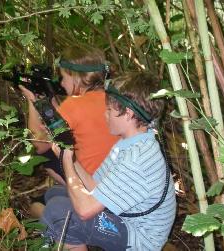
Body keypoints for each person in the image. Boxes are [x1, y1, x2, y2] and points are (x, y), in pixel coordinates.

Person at [41, 72, 177, 250]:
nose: (105, 115)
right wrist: (70, 156)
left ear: (128, 114)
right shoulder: (129, 143)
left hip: (140, 239)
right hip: (126, 219)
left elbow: (84, 210)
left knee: (58, 211)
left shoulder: (139, 158)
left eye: (109, 110)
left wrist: (66, 162)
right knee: (55, 194)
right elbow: (94, 185)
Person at [19, 45, 119, 185]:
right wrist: (50, 100)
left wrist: (32, 100)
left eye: (63, 77)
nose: (62, 83)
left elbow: (39, 145)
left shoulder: (74, 104)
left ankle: (75, 194)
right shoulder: (115, 98)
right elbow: (67, 124)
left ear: (76, 77)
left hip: (92, 181)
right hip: (117, 176)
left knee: (47, 154)